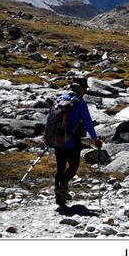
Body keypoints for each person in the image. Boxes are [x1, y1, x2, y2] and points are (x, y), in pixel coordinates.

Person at [53, 77, 101, 205]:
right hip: (72, 140)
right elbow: (88, 122)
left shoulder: (60, 99)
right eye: (85, 89)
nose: (85, 92)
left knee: (60, 168)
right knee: (73, 166)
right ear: (81, 89)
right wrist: (95, 138)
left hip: (57, 139)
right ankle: (62, 187)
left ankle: (59, 197)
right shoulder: (79, 102)